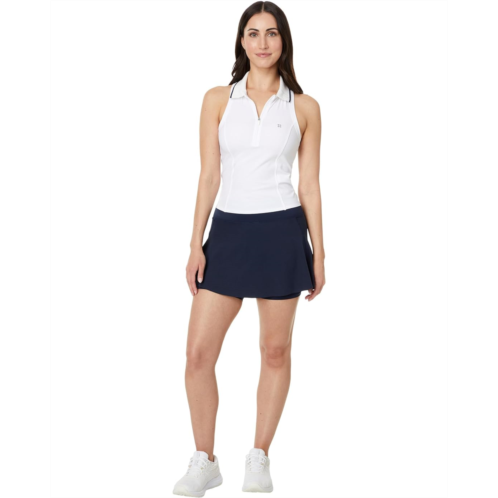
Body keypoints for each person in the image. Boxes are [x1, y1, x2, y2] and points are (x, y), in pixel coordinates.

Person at [173, 2, 326, 496]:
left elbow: (309, 185)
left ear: (284, 41)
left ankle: (259, 455)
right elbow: (209, 175)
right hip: (230, 233)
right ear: (241, 41)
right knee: (198, 354)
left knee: (275, 350)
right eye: (253, 33)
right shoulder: (218, 99)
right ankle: (204, 459)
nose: (263, 43)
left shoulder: (304, 107)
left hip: (282, 232)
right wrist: (195, 244)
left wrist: (319, 254)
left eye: (272, 33)